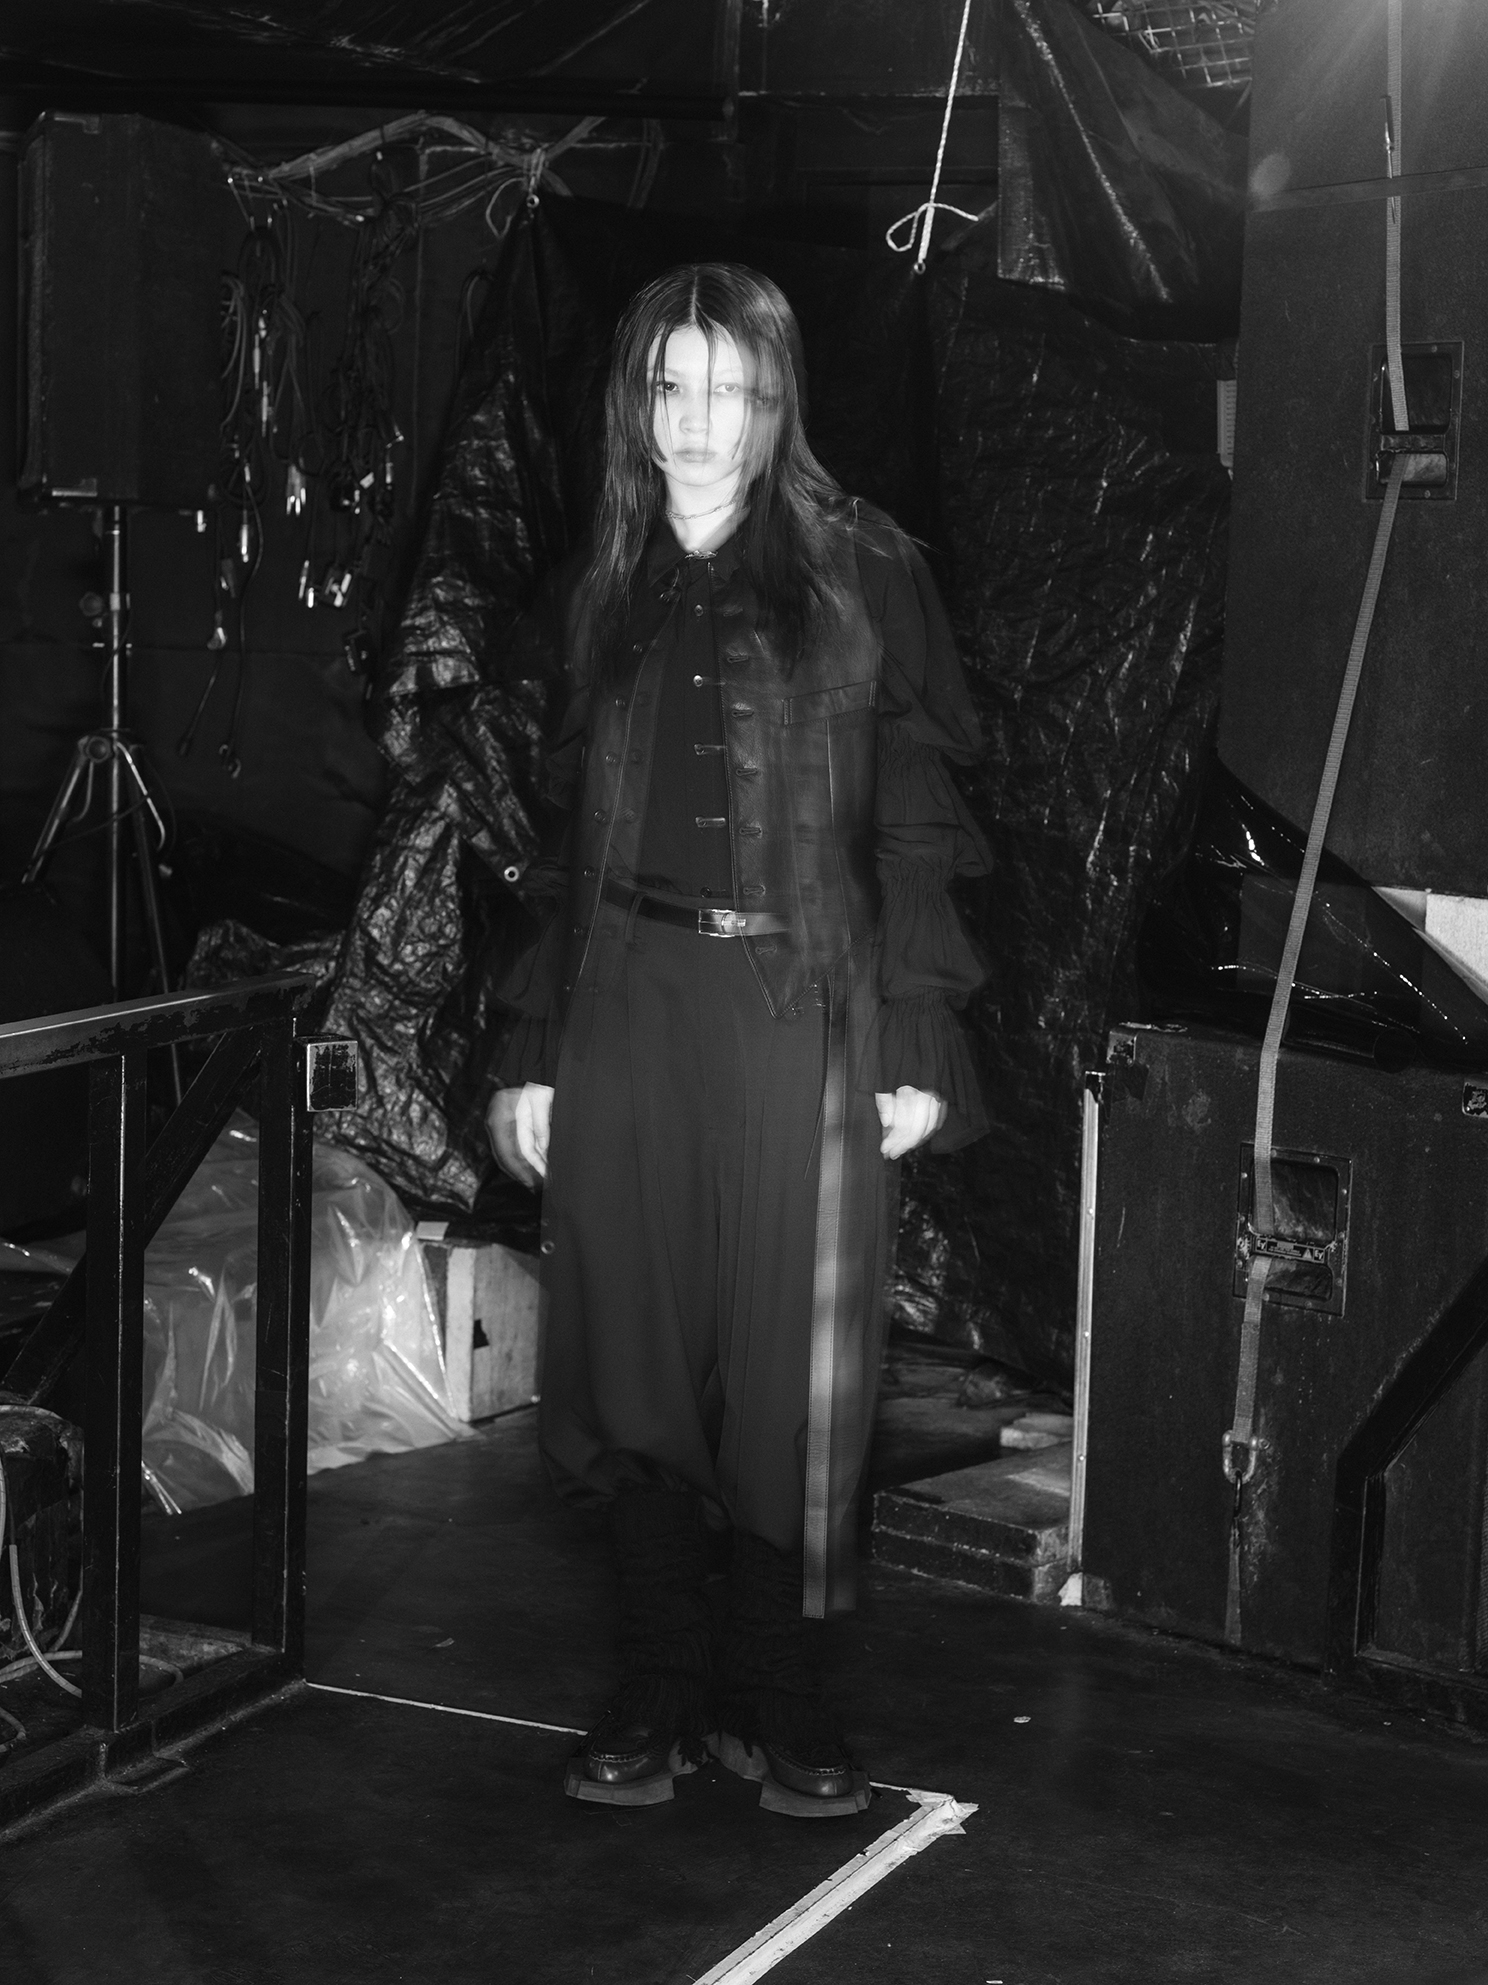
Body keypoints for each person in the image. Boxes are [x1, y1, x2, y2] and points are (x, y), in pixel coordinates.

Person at [486, 261, 988, 1817]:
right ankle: (657, 1683)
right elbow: (563, 837)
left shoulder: (866, 568)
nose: (700, 420)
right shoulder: (605, 580)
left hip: (803, 1009)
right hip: (629, 1002)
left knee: (791, 1368)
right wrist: (534, 1050)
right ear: (636, 399)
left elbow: (915, 811)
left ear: (778, 402)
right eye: (672, 385)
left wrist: (916, 1034)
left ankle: (783, 1698)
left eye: (733, 389)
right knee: (633, 1348)